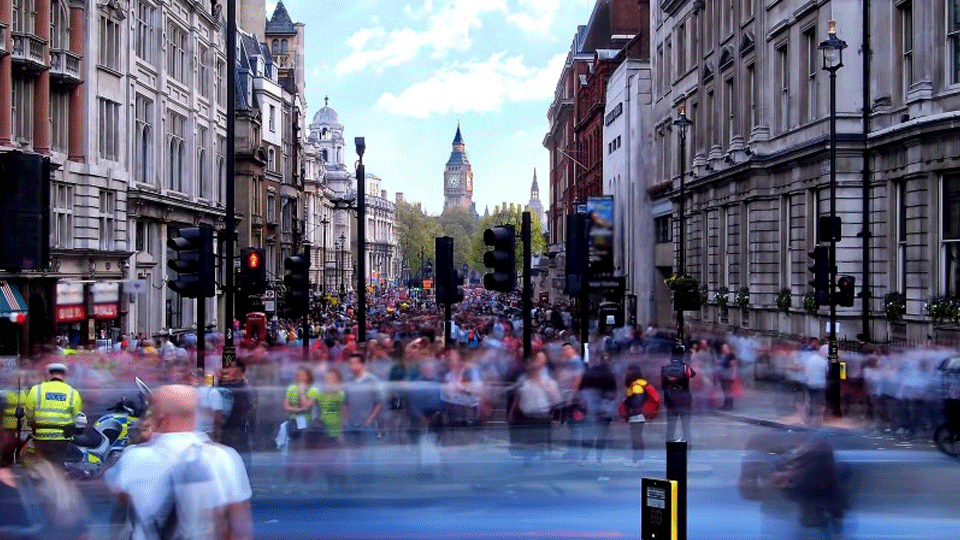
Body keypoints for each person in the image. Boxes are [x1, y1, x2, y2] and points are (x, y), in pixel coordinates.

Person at [105, 384, 253, 540]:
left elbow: (119, 494)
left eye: (150, 411)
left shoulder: (134, 457)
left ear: (161, 416)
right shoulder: (224, 458)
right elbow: (239, 527)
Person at [24, 363, 83, 463]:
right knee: (58, 464)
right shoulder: (73, 393)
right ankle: (57, 476)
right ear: (64, 375)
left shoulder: (36, 390)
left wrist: (30, 426)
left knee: (41, 463)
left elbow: (28, 414)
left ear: (49, 374)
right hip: (62, 438)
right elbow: (77, 417)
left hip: (40, 436)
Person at [510, 350, 560, 463]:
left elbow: (556, 398)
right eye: (538, 359)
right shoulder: (524, 379)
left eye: (542, 360)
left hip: (542, 417)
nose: (539, 362)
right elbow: (517, 397)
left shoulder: (547, 380)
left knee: (541, 448)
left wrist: (547, 388)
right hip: (526, 417)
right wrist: (512, 413)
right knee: (528, 448)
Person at [576, 351, 617, 464]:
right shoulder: (610, 374)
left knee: (588, 434)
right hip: (605, 409)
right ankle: (599, 459)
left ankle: (584, 458)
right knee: (601, 435)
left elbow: (581, 388)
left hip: (591, 407)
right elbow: (612, 393)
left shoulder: (591, 372)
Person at [218, 360, 257, 473]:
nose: (228, 370)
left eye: (232, 367)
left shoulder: (243, 388)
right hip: (230, 429)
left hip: (236, 429)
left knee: (239, 459)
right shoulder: (230, 386)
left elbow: (250, 410)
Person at [662, 347, 696, 442]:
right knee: (686, 427)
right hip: (684, 401)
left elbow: (663, 386)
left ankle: (670, 447)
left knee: (670, 427)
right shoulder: (686, 368)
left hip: (670, 401)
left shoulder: (665, 368)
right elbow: (693, 374)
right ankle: (687, 447)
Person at [623, 365, 650, 466]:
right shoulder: (638, 384)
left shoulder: (636, 386)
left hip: (636, 414)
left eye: (629, 372)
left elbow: (637, 400)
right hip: (638, 414)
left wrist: (629, 406)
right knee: (637, 437)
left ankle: (637, 460)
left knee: (636, 438)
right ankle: (638, 460)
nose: (627, 374)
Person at [718, 343, 739, 410]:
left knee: (728, 391)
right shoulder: (722, 355)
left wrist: (733, 375)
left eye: (726, 347)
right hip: (722, 375)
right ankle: (726, 404)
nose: (724, 349)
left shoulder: (731, 356)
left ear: (728, 348)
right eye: (723, 348)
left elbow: (734, 366)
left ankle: (729, 405)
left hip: (728, 375)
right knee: (725, 391)